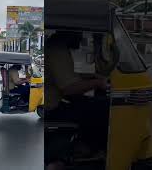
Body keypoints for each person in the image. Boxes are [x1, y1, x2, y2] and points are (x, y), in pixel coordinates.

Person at [46, 31, 109, 169]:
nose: (81, 38)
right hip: (51, 109)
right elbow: (69, 88)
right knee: (103, 109)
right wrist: (98, 83)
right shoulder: (57, 50)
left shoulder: (53, 47)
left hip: (51, 103)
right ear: (70, 32)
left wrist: (91, 77)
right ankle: (88, 149)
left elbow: (66, 76)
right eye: (79, 34)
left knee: (88, 104)